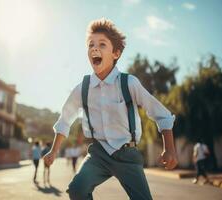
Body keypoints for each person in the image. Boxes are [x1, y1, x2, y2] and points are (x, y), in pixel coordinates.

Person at [43, 18, 178, 200]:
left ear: (116, 53)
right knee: (77, 189)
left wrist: (169, 148)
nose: (94, 48)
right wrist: (53, 151)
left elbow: (161, 114)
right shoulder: (83, 88)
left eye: (102, 44)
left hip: (127, 154)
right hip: (99, 153)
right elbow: (65, 120)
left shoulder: (128, 83)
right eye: (91, 44)